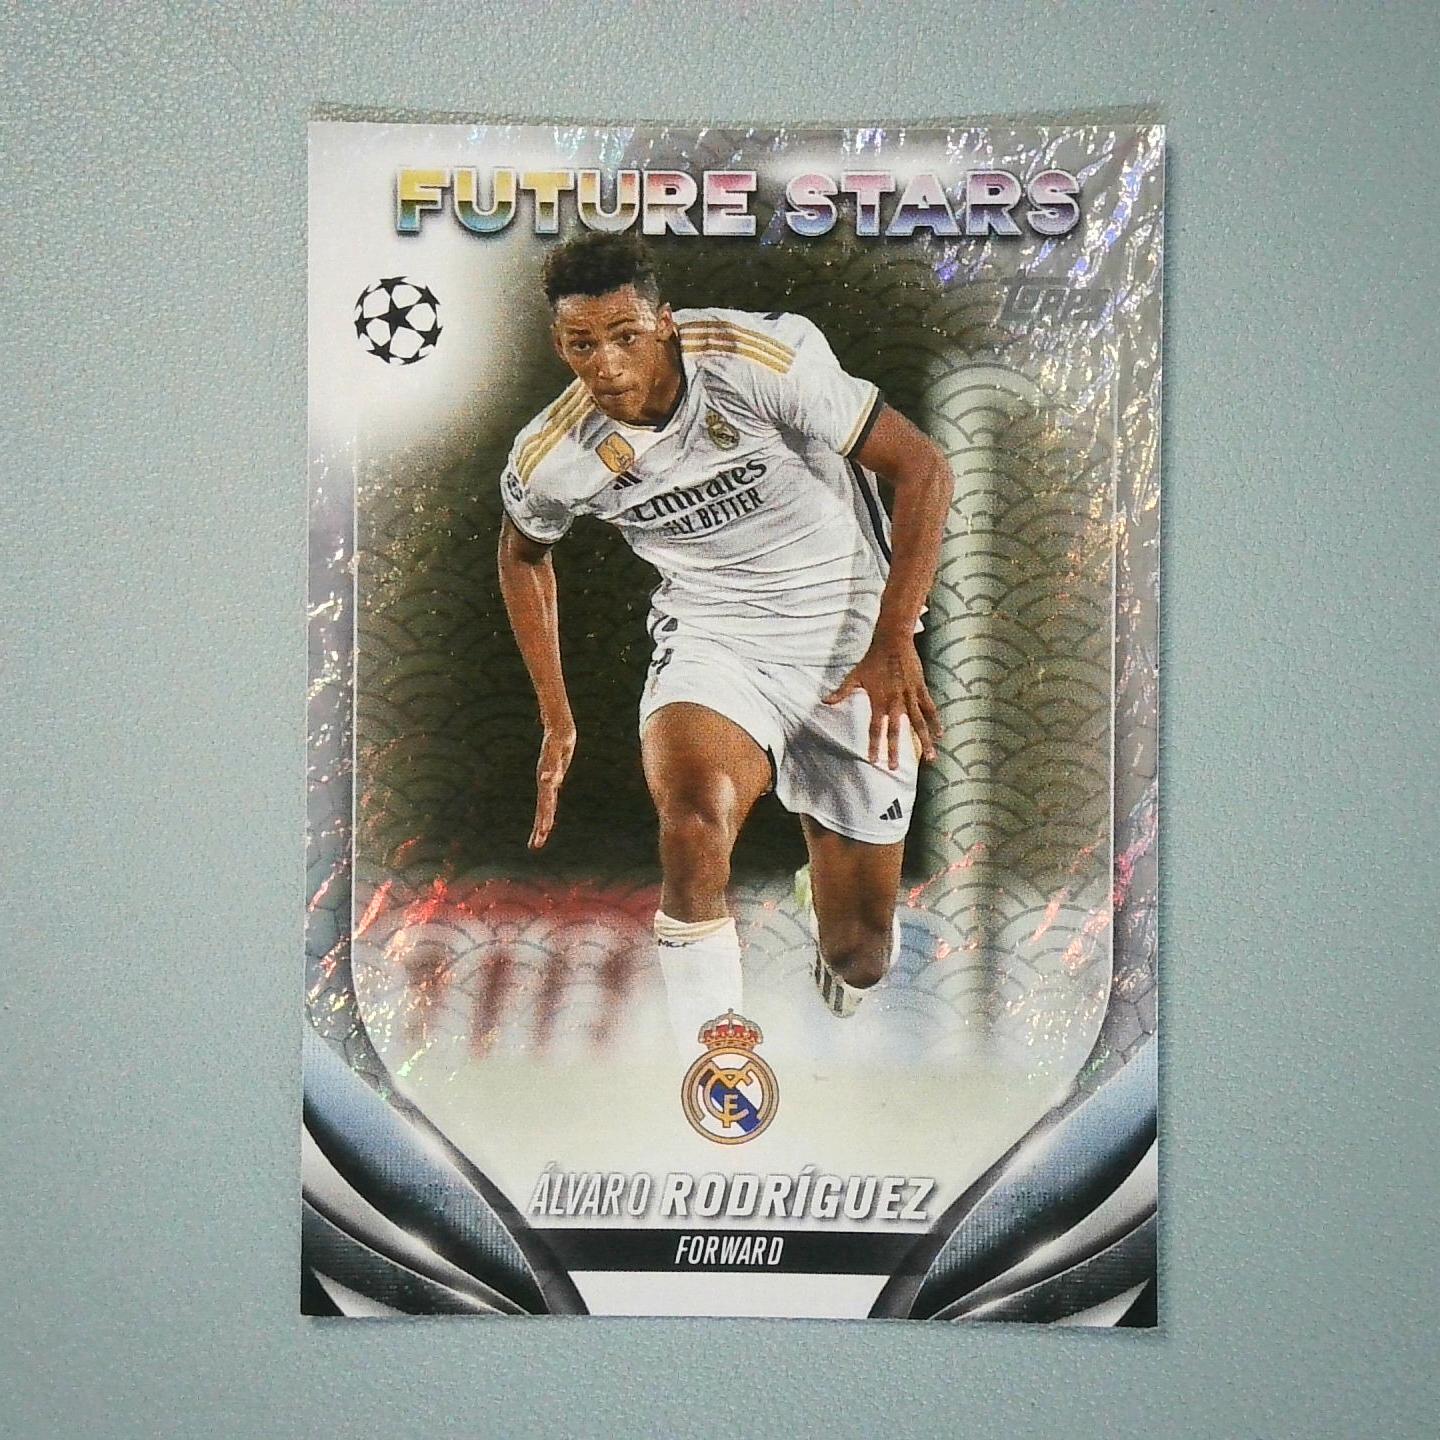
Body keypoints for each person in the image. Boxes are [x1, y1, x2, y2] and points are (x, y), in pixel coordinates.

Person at [497, 233, 952, 1049]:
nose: (606, 365)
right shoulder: (553, 454)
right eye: (582, 345)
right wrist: (556, 717)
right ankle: (711, 1070)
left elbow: (924, 467)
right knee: (693, 824)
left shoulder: (756, 359)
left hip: (850, 638)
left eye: (626, 336)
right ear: (560, 345)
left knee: (859, 955)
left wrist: (894, 638)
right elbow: (522, 554)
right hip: (716, 639)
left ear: (665, 323)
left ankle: (832, 908)